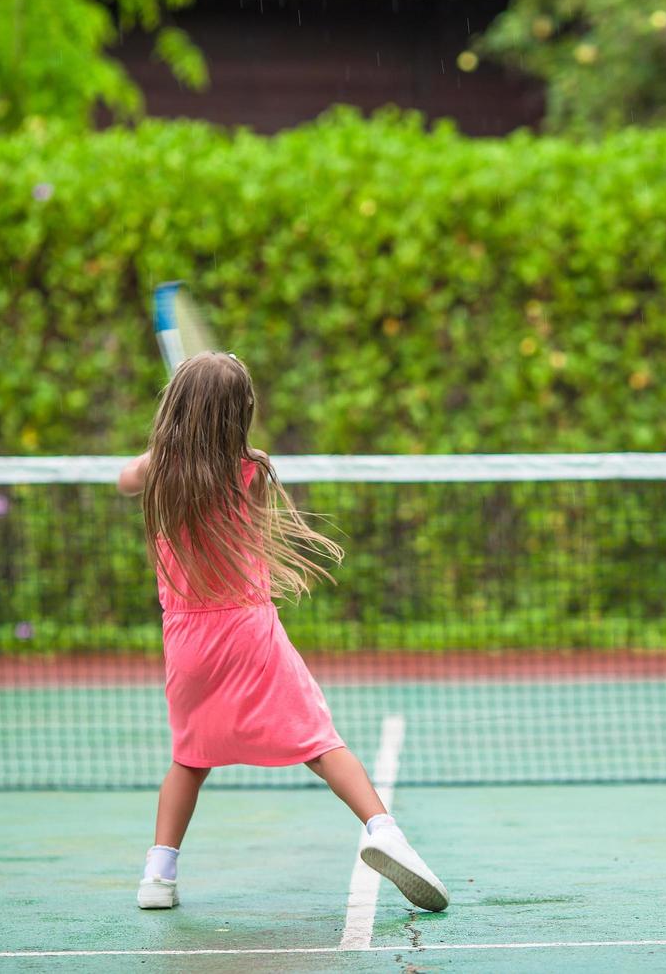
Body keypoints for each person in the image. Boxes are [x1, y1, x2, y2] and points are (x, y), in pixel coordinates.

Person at [117, 352, 447, 913]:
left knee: (189, 759)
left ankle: (158, 873)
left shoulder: (156, 473)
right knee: (318, 741)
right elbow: (238, 487)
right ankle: (383, 829)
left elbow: (126, 478)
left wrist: (166, 449)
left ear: (176, 408)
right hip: (248, 629)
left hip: (187, 643)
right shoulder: (254, 468)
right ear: (239, 415)